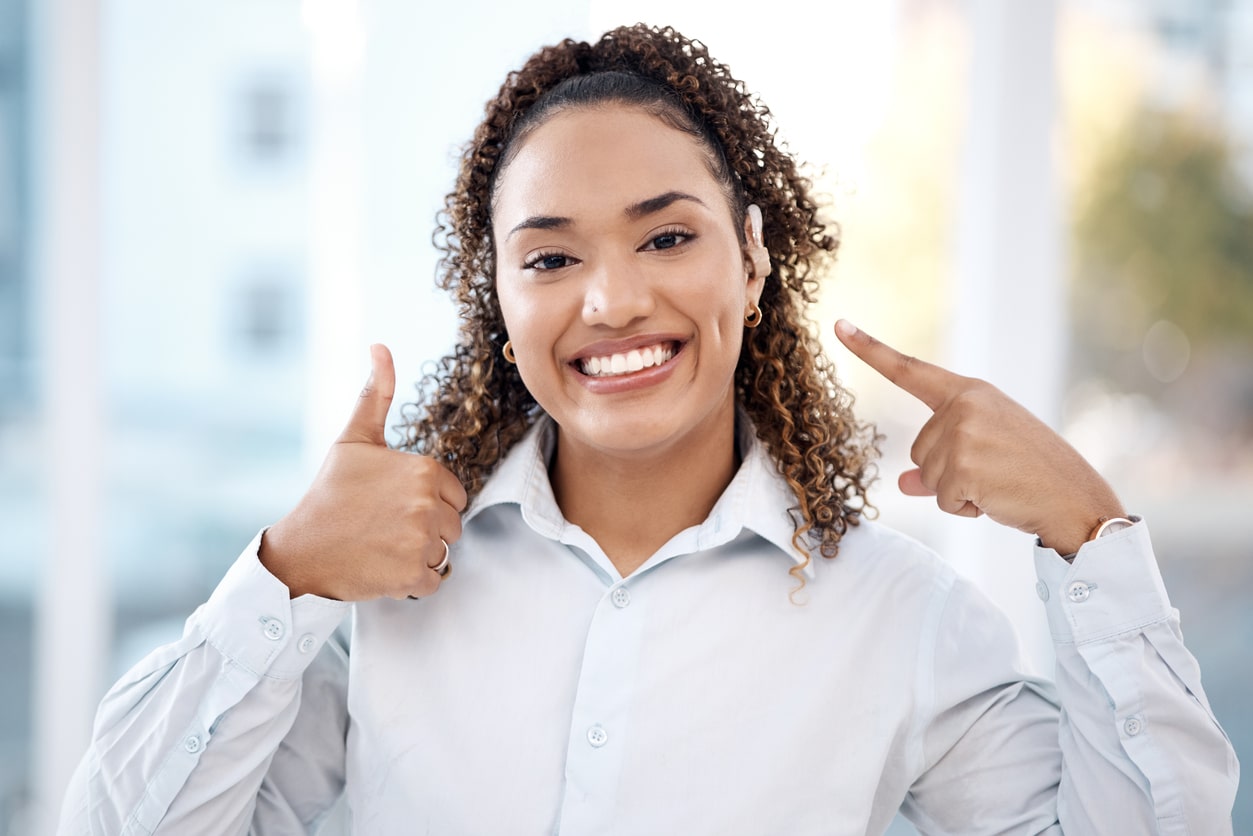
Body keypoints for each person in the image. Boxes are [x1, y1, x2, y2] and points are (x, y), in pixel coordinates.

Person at [59, 23, 1237, 836]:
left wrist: (1089, 527)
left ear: (755, 256)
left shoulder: (899, 615)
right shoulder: (382, 597)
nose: (610, 300)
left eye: (666, 236)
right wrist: (282, 574)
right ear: (501, 302)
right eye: (551, 256)